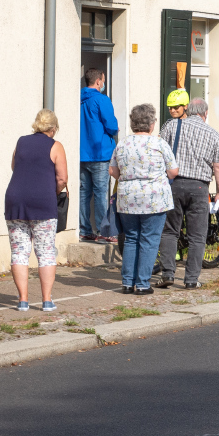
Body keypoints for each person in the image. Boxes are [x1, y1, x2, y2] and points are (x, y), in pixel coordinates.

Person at [157, 93, 219, 289]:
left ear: (188, 109)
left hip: (174, 185)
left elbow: (159, 149)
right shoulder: (213, 134)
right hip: (199, 187)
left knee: (170, 231)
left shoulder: (171, 125)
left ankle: (168, 274)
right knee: (197, 236)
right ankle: (191, 280)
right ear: (205, 114)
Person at [109, 103, 177, 295]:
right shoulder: (159, 144)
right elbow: (173, 172)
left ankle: (128, 282)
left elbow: (113, 171)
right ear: (151, 124)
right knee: (149, 239)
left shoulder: (122, 144)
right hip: (154, 199)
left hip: (128, 198)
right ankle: (143, 283)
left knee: (131, 238)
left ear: (133, 123)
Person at [6, 109, 68, 312]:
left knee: (19, 252)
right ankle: (47, 300)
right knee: (46, 252)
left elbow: (16, 167)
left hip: (16, 200)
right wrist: (52, 191)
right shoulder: (55, 146)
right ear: (53, 128)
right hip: (43, 202)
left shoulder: (21, 141)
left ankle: (23, 300)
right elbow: (62, 179)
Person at [79, 67, 118, 244]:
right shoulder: (102, 100)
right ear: (98, 82)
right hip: (100, 153)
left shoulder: (79, 99)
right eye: (103, 81)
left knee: (84, 194)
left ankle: (84, 230)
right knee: (102, 194)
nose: (103, 84)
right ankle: (104, 231)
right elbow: (111, 125)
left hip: (82, 154)